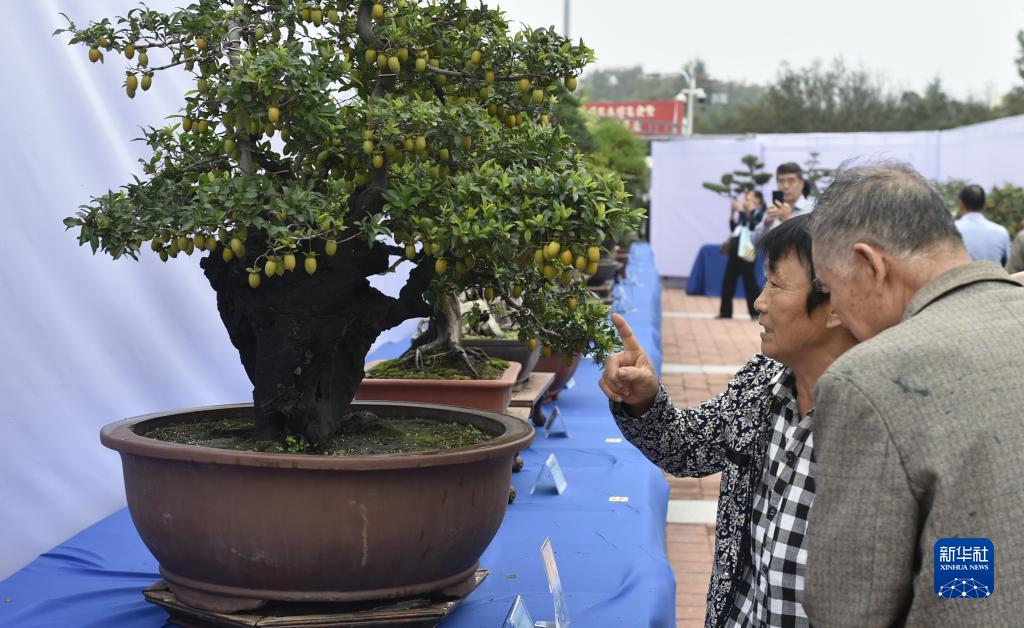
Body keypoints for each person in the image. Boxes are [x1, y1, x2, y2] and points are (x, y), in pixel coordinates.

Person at [600, 215, 857, 627]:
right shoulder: (761, 382)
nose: (759, 301)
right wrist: (644, 401)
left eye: (776, 284)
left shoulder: (880, 421)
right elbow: (686, 448)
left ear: (835, 306)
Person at [806, 161, 1024, 627]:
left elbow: (850, 609)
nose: (836, 311)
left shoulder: (867, 381)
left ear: (869, 264)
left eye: (829, 289)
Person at [719, 190, 765, 319]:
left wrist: (741, 211)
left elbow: (753, 227)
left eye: (749, 198)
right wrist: (733, 213)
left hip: (748, 250)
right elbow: (734, 228)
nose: (745, 200)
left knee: (750, 283)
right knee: (728, 282)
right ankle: (725, 312)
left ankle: (755, 313)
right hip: (735, 250)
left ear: (757, 200)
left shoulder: (760, 213)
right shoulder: (744, 213)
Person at [751, 162, 813, 247]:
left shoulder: (812, 210)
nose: (786, 186)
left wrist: (788, 221)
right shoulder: (772, 210)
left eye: (791, 181)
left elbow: (812, 244)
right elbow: (754, 242)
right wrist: (766, 224)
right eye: (781, 181)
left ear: (802, 184)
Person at [954, 184, 1011, 265]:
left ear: (961, 204)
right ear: (985, 204)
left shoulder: (951, 230)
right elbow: (1008, 265)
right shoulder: (1001, 232)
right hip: (994, 273)